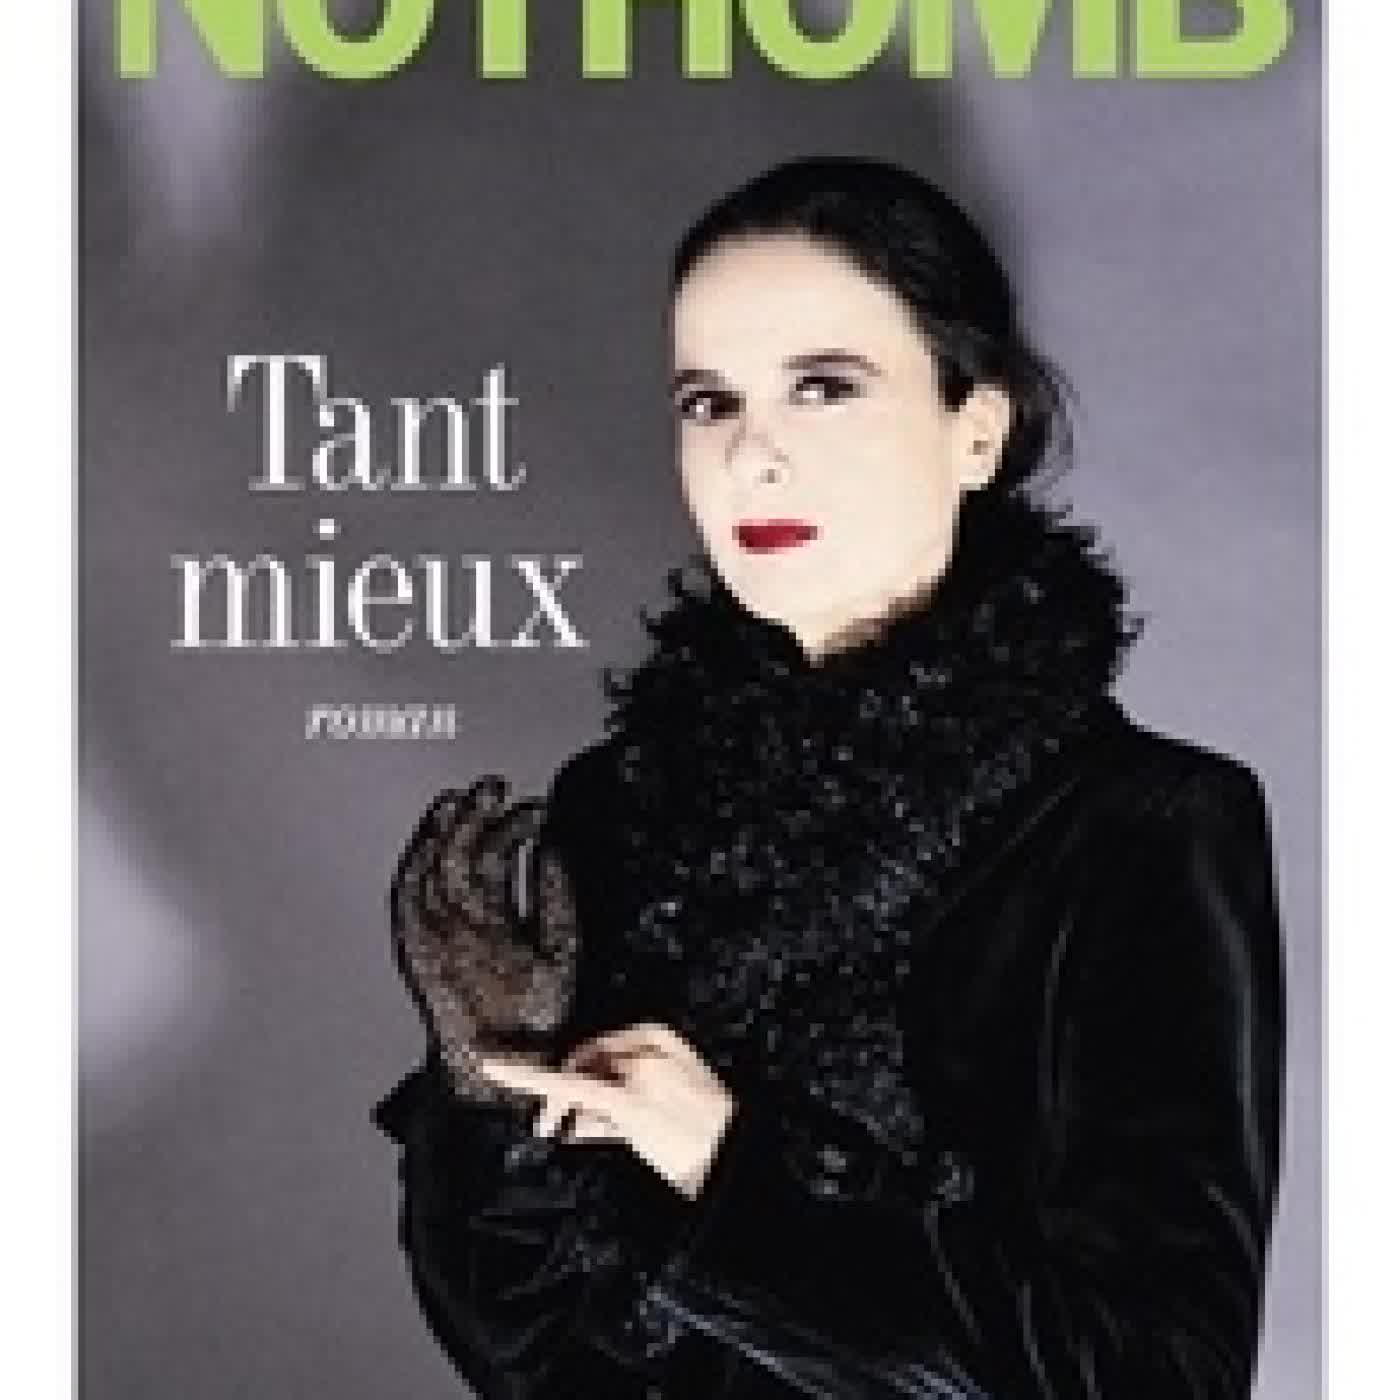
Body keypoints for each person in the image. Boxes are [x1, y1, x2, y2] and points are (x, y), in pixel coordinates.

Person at [373, 157, 1285, 1400]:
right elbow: (532, 1357)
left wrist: (733, 1169)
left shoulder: (1137, 827)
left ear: (976, 428)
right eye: (708, 400)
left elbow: (1156, 1377)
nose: (751, 452)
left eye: (823, 387)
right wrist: (489, 1090)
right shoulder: (620, 809)